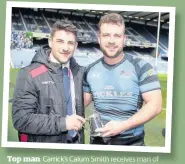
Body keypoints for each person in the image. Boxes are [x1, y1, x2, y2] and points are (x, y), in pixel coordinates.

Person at [83, 13, 162, 145]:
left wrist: (123, 125)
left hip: (132, 143)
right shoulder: (89, 69)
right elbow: (79, 103)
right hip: (98, 142)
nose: (111, 41)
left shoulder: (141, 66)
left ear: (124, 39)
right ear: (99, 38)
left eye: (117, 36)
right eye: (106, 35)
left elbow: (156, 105)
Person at [12, 20, 86, 143]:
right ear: (50, 42)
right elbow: (21, 120)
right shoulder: (29, 74)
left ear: (76, 46)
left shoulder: (79, 72)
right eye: (60, 41)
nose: (65, 48)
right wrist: (64, 123)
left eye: (70, 43)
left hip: (75, 144)